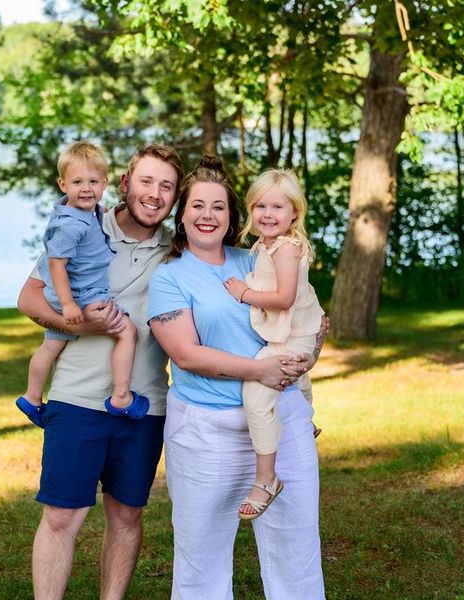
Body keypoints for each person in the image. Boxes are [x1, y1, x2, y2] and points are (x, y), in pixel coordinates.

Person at [147, 156, 326, 599]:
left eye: (218, 207)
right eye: (198, 206)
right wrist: (260, 370)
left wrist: (312, 352)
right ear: (182, 214)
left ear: (231, 217)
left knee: (296, 543)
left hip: (281, 419)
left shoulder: (261, 257)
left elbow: (304, 316)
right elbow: (186, 355)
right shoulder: (169, 277)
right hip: (208, 429)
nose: (208, 215)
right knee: (201, 553)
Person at [17, 143, 188, 600]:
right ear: (126, 183)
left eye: (166, 187)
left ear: (174, 198)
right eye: (147, 182)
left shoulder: (179, 249)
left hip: (144, 405)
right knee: (60, 517)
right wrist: (77, 321)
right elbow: (29, 299)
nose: (155, 194)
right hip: (75, 399)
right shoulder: (81, 224)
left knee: (127, 516)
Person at [15, 141, 147, 426]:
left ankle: (32, 397)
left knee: (51, 347)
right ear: (62, 184)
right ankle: (121, 396)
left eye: (93, 182)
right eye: (77, 182)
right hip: (82, 294)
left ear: (105, 183)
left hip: (76, 292)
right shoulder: (70, 225)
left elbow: (94, 215)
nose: (86, 189)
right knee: (127, 332)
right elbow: (56, 265)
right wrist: (68, 306)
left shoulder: (86, 212)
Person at [221, 169, 325, 520]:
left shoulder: (286, 247)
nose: (267, 214)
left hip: (291, 335)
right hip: (294, 331)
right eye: (260, 206)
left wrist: (243, 293)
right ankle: (306, 420)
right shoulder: (264, 245)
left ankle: (266, 479)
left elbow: (283, 298)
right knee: (296, 376)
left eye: (277, 207)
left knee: (256, 392)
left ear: (295, 212)